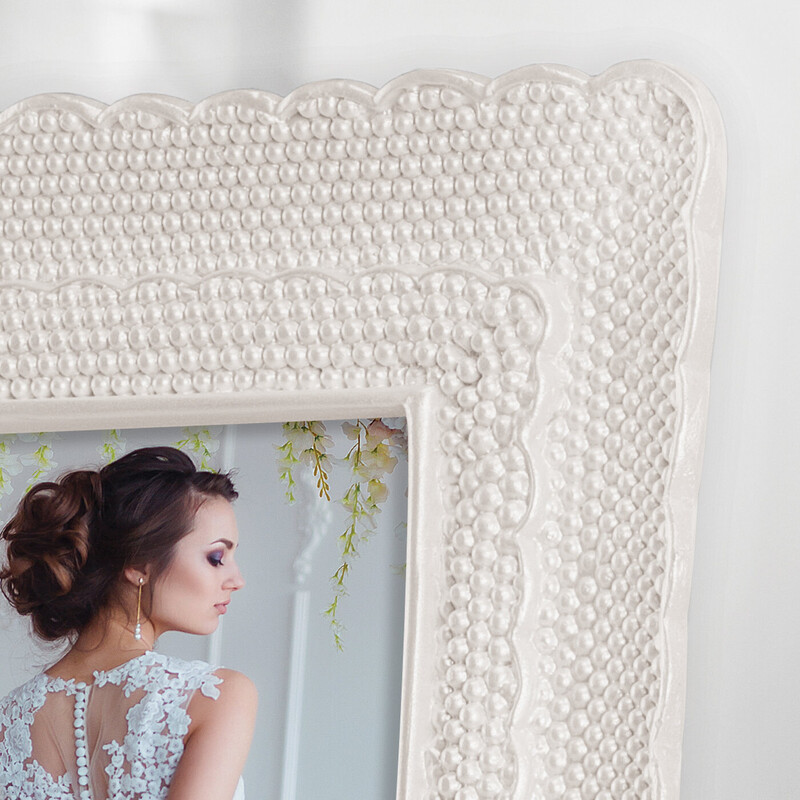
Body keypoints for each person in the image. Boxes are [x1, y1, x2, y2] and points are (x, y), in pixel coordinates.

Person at [0, 446, 257, 800]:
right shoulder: (214, 695)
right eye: (216, 557)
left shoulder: (10, 719)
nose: (237, 580)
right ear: (138, 564)